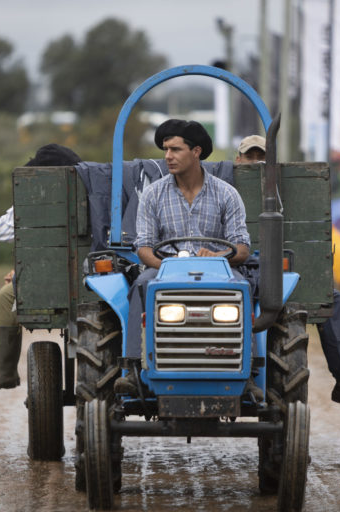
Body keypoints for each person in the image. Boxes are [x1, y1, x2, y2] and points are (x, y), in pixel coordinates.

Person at [235, 135, 340, 408]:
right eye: (250, 157)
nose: (257, 162)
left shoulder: (292, 191)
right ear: (238, 161)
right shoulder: (230, 188)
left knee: (334, 300)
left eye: (262, 157)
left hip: (272, 274)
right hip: (240, 274)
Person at [114, 119, 251, 394]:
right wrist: (167, 266)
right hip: (165, 270)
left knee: (241, 289)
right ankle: (132, 368)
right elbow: (143, 247)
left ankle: (250, 373)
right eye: (166, 150)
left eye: (175, 149)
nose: (168, 157)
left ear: (197, 151)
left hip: (217, 271)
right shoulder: (153, 194)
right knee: (142, 284)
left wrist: (216, 255)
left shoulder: (227, 194)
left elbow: (242, 248)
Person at [0, 144, 82, 392]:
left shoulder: (37, 199)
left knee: (6, 295)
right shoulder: (94, 190)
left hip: (50, 276)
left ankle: (5, 371)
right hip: (88, 277)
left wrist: (26, 202)